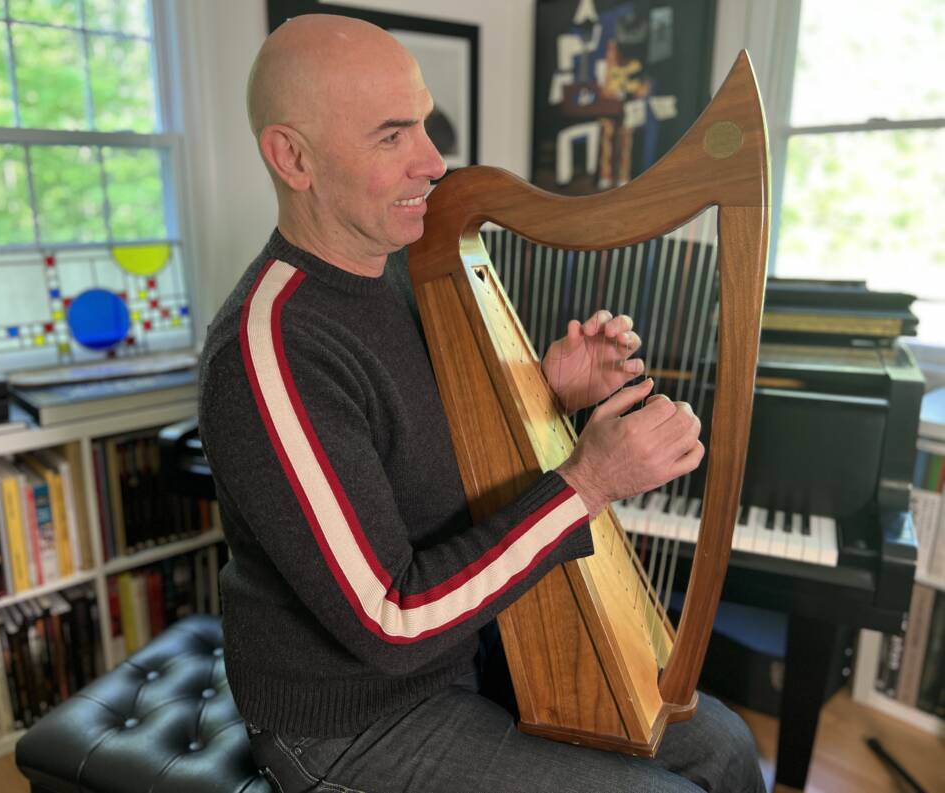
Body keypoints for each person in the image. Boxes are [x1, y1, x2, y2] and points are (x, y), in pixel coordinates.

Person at [198, 13, 765, 793]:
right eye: (392, 136)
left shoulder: (397, 269)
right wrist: (587, 482)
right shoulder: (271, 348)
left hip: (461, 649)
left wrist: (548, 391)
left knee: (727, 744)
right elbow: (388, 621)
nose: (433, 161)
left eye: (424, 123)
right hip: (353, 720)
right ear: (292, 157)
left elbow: (422, 439)